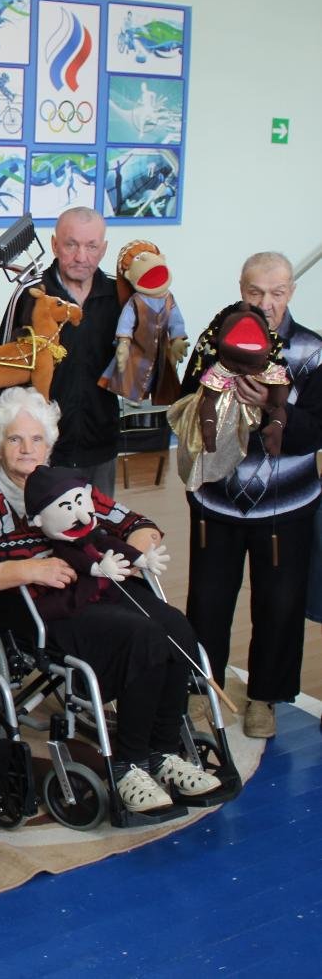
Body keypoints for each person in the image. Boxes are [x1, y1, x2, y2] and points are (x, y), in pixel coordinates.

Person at [0, 387, 220, 809]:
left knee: (174, 626)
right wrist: (30, 569)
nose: (27, 449)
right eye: (15, 439)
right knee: (142, 636)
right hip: (39, 609)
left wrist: (135, 553)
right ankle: (128, 765)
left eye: (37, 439)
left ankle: (163, 753)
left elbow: (137, 523)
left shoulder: (67, 488)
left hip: (96, 586)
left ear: (50, 445)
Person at [182, 253, 322, 739]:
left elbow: (317, 430)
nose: (265, 303)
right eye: (255, 292)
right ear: (241, 289)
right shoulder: (213, 339)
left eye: (277, 292)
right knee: (208, 601)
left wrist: (270, 409)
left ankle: (265, 697)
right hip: (216, 502)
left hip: (287, 505)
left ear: (291, 292)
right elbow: (185, 403)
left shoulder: (312, 351)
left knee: (280, 604)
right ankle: (202, 689)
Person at [0, 207, 120, 495]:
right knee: (35, 522)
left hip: (99, 443)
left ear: (103, 249)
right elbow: (0, 369)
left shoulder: (118, 295)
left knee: (96, 521)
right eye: (71, 245)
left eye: (91, 247)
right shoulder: (31, 294)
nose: (81, 257)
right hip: (39, 449)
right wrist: (7, 439)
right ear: (54, 245)